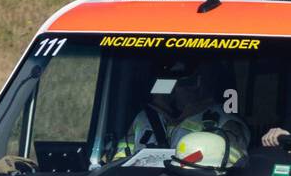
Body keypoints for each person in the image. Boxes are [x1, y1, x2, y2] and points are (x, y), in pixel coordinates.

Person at [106, 62, 248, 166]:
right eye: (166, 82)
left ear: (201, 84)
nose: (173, 89)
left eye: (183, 82)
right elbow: (117, 164)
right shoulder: (143, 119)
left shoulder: (224, 122)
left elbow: (234, 166)